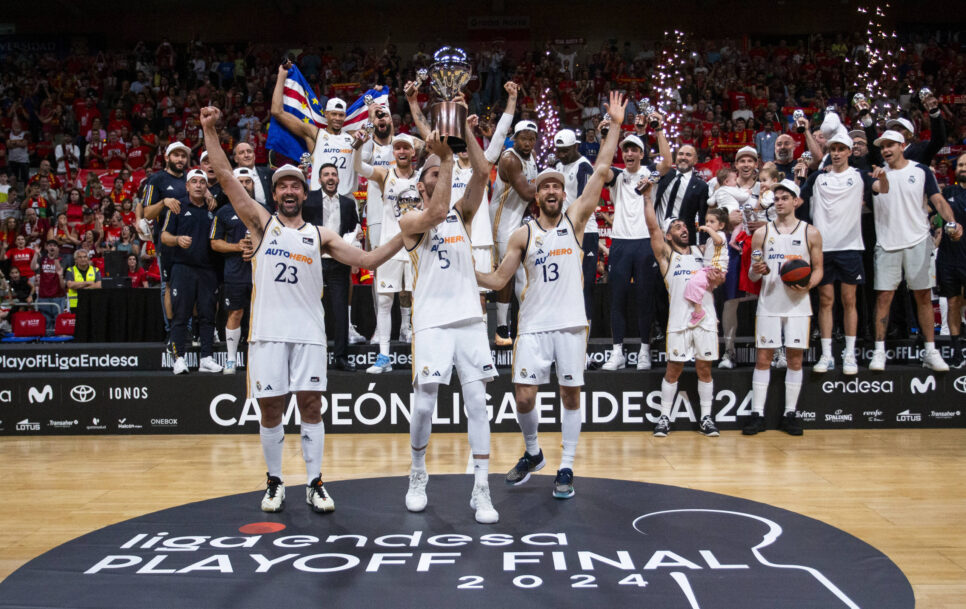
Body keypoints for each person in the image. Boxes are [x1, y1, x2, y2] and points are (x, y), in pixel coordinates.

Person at [202, 105, 404, 515]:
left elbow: (367, 260)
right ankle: (275, 481)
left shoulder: (321, 234)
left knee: (311, 406)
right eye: (283, 187)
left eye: (296, 185)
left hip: (310, 335)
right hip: (269, 335)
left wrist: (408, 235)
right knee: (271, 409)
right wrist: (209, 129)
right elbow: (225, 177)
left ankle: (314, 483)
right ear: (274, 194)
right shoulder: (260, 224)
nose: (291, 191)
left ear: (304, 192)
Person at [476, 91, 625, 499]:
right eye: (546, 187)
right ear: (538, 195)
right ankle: (533, 453)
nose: (553, 191)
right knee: (523, 396)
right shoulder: (521, 234)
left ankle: (568, 466)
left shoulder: (575, 222)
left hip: (571, 325)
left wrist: (613, 127)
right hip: (534, 327)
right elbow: (497, 279)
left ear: (564, 193)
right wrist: (462, 273)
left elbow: (601, 171)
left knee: (570, 392)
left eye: (558, 186)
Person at [397, 121, 498, 523]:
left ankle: (482, 487)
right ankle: (417, 472)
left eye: (445, 171)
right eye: (435, 174)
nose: (444, 174)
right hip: (432, 322)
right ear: (422, 185)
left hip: (469, 319)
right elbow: (437, 210)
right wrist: (444, 156)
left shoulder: (464, 214)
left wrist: (463, 143)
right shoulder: (410, 220)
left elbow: (484, 172)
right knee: (424, 405)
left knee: (478, 405)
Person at [868, 130, 962, 372]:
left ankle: (930, 351)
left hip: (918, 239)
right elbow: (880, 190)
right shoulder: (877, 175)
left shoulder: (920, 170)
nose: (886, 150)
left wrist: (951, 222)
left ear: (902, 145)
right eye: (882, 147)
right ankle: (879, 352)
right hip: (887, 243)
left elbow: (938, 200)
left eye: (890, 145)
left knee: (922, 296)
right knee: (884, 297)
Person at [644, 171, 727, 438]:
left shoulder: (702, 251)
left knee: (704, 369)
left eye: (684, 225)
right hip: (679, 320)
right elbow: (652, 228)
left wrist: (717, 278)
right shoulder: (667, 258)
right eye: (677, 227)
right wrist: (648, 198)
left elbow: (718, 277)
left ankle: (706, 418)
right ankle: (664, 418)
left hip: (705, 319)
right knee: (674, 369)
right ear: (668, 236)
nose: (683, 228)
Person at [800, 132, 888, 375]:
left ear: (849, 151)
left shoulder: (860, 176)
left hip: (850, 248)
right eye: (833, 148)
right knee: (826, 302)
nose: (837, 153)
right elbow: (799, 201)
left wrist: (884, 177)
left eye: (841, 148)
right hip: (822, 249)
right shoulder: (818, 177)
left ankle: (849, 354)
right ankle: (827, 355)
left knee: (850, 301)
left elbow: (882, 188)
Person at [744, 179, 824, 436]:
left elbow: (820, 268)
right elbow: (754, 274)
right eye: (776, 199)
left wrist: (808, 284)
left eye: (784, 198)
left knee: (795, 359)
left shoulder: (810, 232)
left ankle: (790, 414)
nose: (779, 202)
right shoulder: (762, 233)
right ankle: (757, 414)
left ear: (796, 201)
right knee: (763, 358)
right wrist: (757, 270)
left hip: (798, 305)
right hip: (769, 302)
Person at [600, 122, 672, 370]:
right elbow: (601, 168)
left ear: (641, 153)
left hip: (646, 242)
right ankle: (617, 351)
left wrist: (658, 128)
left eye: (634, 150)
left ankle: (644, 350)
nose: (629, 154)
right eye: (625, 150)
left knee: (645, 298)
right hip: (620, 242)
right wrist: (605, 137)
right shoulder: (617, 175)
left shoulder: (650, 173)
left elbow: (667, 163)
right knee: (616, 298)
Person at [352, 132, 419, 372]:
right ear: (394, 151)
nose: (401, 151)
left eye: (406, 148)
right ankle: (383, 357)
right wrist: (358, 146)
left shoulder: (422, 179)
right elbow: (358, 166)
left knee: (419, 302)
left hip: (415, 250)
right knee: (383, 302)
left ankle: (421, 354)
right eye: (398, 147)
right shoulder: (384, 175)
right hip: (389, 247)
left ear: (413, 152)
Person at [161, 169, 222, 375]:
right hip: (183, 267)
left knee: (207, 315)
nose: (198, 185)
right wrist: (177, 239)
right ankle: (178, 359)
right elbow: (164, 237)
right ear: (187, 186)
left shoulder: (214, 208)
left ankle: (206, 358)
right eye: (193, 182)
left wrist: (212, 198)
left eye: (202, 182)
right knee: (181, 314)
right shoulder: (177, 206)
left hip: (208, 269)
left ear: (206, 187)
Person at [271, 61, 357, 197]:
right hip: (319, 198)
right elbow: (277, 112)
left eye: (341, 115)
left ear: (345, 117)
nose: (337, 118)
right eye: (334, 114)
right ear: (326, 114)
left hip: (347, 198)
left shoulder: (353, 136)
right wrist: (281, 76)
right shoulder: (315, 134)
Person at [490, 119, 538, 346]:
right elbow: (528, 193)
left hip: (517, 220)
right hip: (502, 221)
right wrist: (550, 179)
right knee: (507, 273)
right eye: (523, 138)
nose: (527, 143)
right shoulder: (510, 159)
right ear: (514, 138)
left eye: (531, 139)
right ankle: (501, 327)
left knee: (522, 272)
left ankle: (525, 323)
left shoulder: (532, 158)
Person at [312, 162, 360, 371]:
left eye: (334, 174)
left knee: (340, 311)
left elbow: (355, 230)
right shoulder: (309, 199)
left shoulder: (349, 204)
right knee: (312, 311)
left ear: (339, 179)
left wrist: (355, 245)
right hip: (312, 262)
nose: (330, 178)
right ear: (320, 179)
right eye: (326, 175)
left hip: (339, 262)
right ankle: (314, 357)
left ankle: (341, 356)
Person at [209, 166, 256, 375]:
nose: (245, 185)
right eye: (241, 181)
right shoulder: (224, 212)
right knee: (235, 313)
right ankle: (230, 359)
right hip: (235, 273)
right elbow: (214, 243)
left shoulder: (263, 209)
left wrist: (257, 248)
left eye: (248, 181)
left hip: (259, 273)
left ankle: (259, 361)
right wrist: (237, 247)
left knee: (260, 317)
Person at [939, 152, 966, 368]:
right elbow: (930, 213)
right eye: (961, 164)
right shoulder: (948, 192)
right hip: (948, 259)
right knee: (953, 304)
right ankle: (957, 352)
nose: (963, 167)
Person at [684, 207, 729, 328]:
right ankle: (712, 315)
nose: (708, 224)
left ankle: (698, 312)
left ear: (721, 225)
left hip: (714, 268)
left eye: (712, 222)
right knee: (707, 293)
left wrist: (708, 229)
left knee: (693, 284)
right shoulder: (711, 239)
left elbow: (719, 241)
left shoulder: (720, 235)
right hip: (711, 269)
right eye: (707, 221)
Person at [31, 241, 67, 332]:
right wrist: (35, 254)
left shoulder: (62, 259)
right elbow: (33, 267)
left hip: (58, 295)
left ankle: (58, 343)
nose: (52, 247)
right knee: (46, 321)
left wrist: (55, 258)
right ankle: (47, 344)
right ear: (46, 248)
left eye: (54, 246)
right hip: (44, 295)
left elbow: (59, 271)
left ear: (57, 248)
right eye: (50, 245)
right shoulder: (42, 259)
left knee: (57, 320)